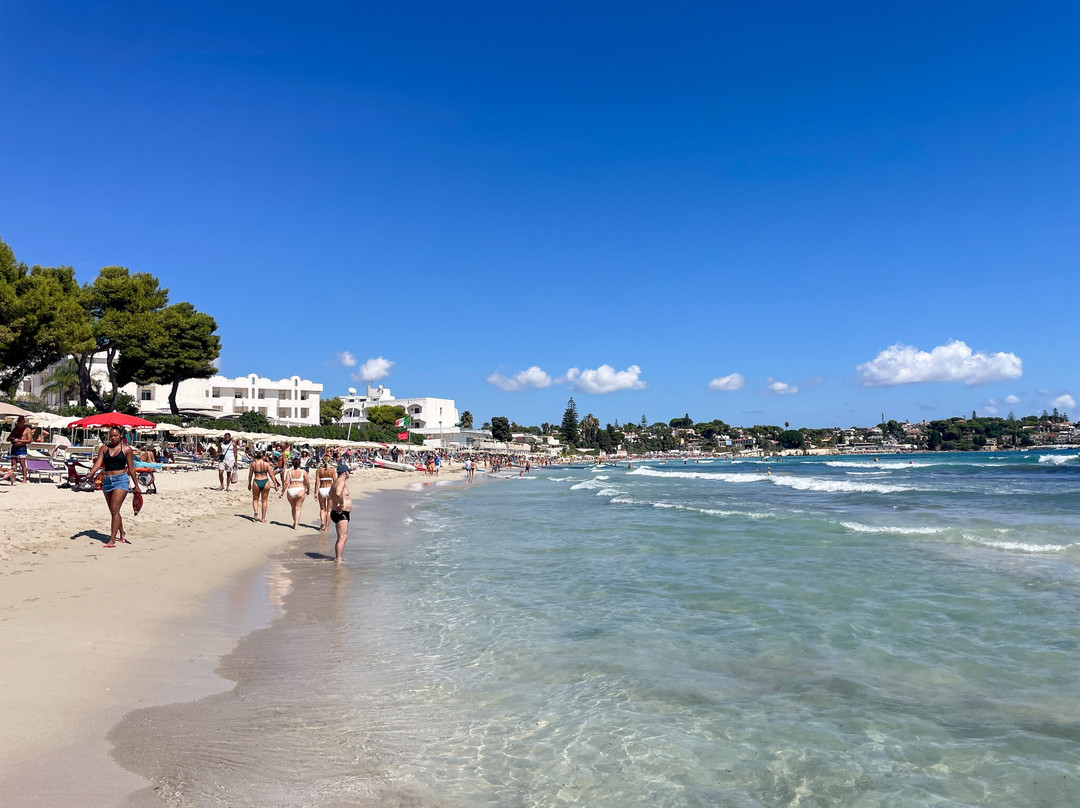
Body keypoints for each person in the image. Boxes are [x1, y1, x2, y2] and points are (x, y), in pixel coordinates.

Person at [87, 426, 140, 547]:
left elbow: (131, 468)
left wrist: (136, 485)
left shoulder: (127, 449)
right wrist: (91, 473)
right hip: (107, 481)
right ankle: (121, 533)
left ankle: (111, 540)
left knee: (115, 509)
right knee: (113, 510)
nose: (113, 438)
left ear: (121, 435)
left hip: (121, 480)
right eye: (111, 436)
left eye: (115, 435)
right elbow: (99, 463)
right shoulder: (104, 449)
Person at [328, 462, 352, 563]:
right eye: (349, 472)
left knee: (341, 537)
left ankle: (338, 557)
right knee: (343, 537)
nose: (349, 474)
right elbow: (338, 493)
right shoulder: (341, 482)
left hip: (337, 512)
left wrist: (336, 504)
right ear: (345, 472)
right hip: (341, 513)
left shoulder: (335, 481)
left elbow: (330, 494)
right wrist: (341, 504)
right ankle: (338, 559)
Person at [247, 449, 278, 523]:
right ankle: (263, 519)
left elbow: (250, 475)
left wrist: (249, 484)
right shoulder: (267, 464)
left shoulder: (253, 464)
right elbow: (271, 475)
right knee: (264, 501)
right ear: (263, 456)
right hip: (265, 481)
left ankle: (256, 512)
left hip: (256, 481)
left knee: (255, 499)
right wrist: (275, 484)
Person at [279, 456, 309, 530]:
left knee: (293, 508)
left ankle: (294, 522)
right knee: (298, 508)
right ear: (299, 464)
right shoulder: (303, 472)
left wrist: (282, 492)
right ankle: (296, 525)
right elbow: (307, 482)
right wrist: (308, 490)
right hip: (300, 489)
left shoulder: (289, 472)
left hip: (291, 490)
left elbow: (286, 483)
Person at [7, 415, 32, 483]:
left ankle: (24, 479)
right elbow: (8, 438)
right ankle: (14, 478)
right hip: (14, 448)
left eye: (20, 422)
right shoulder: (15, 429)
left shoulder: (27, 430)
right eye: (18, 422)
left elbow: (30, 440)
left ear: (24, 422)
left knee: (22, 464)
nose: (19, 424)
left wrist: (19, 441)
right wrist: (12, 438)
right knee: (13, 464)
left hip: (22, 448)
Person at [314, 458, 336, 533]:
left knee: (322, 508)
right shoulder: (332, 470)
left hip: (322, 489)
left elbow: (317, 482)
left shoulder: (319, 471)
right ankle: (326, 527)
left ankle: (322, 521)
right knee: (329, 510)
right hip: (329, 489)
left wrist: (315, 493)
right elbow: (335, 482)